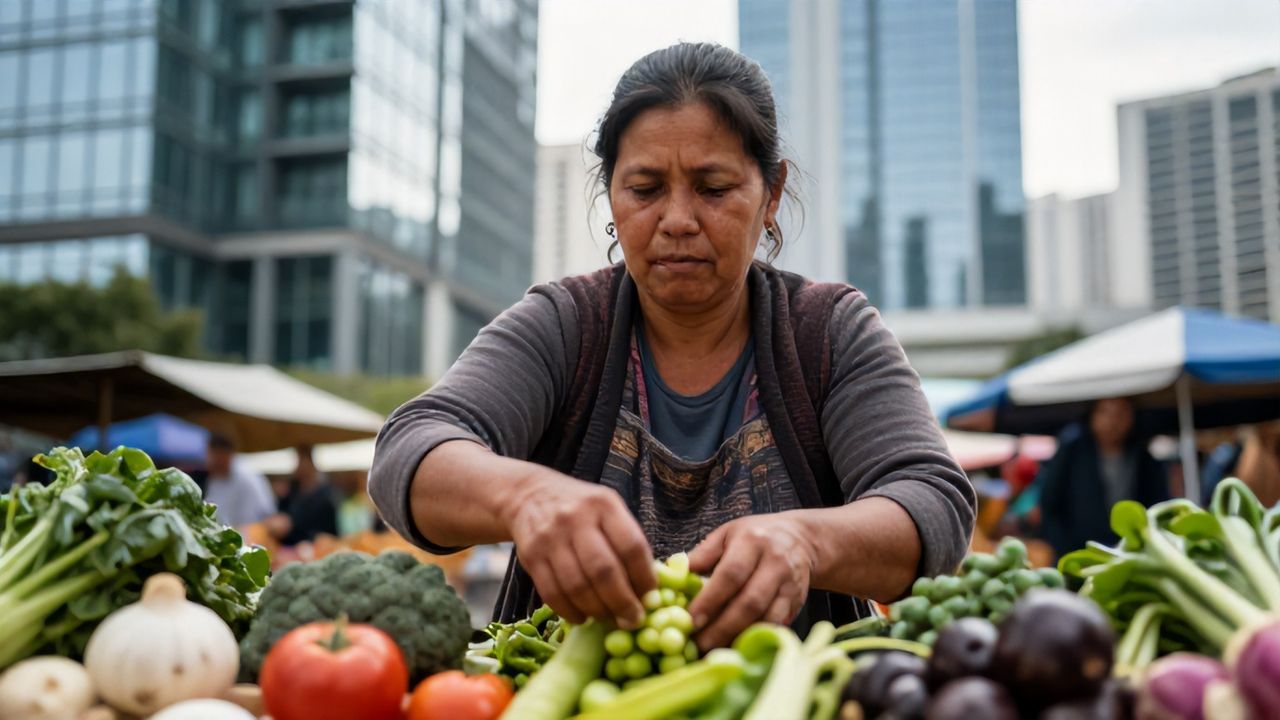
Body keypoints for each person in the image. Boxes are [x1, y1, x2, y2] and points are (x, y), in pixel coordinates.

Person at [369, 43, 974, 650]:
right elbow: (410, 451)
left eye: (713, 188)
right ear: (610, 193)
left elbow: (931, 504)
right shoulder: (561, 325)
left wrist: (806, 542)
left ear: (771, 192)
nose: (678, 219)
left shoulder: (829, 332)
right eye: (646, 188)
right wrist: (527, 497)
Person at [1037, 398, 1169, 557]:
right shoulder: (1072, 448)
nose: (1113, 421)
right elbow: (1050, 503)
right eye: (1105, 412)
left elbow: (1158, 502)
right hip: (1080, 552)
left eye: (1121, 413)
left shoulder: (1142, 455)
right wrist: (1063, 549)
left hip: (1129, 553)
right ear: (1092, 416)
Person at [202, 433, 277, 528]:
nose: (208, 459)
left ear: (224, 453)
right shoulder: (214, 479)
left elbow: (265, 516)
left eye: (210, 454)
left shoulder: (247, 477)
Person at [274, 445, 339, 546]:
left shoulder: (326, 496)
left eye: (301, 460)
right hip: (290, 548)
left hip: (315, 548)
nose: (298, 465)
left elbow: (329, 533)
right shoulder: (291, 492)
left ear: (310, 462)